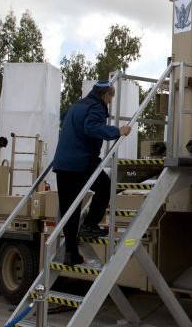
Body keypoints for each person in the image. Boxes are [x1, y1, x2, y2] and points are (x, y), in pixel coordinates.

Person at [52, 80, 131, 266]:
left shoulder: (76, 106)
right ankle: (89, 225)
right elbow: (91, 128)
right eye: (111, 97)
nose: (110, 102)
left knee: (70, 209)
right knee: (105, 186)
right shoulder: (96, 106)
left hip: (62, 163)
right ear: (105, 94)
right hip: (81, 161)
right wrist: (117, 131)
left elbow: (66, 124)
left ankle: (71, 253)